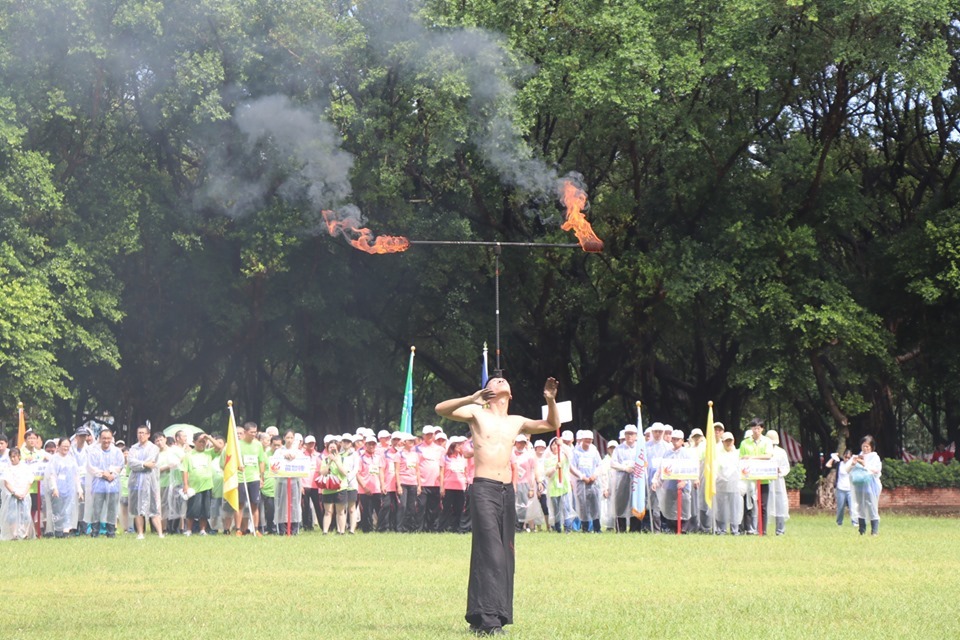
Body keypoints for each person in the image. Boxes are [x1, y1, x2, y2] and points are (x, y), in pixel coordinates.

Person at [435, 376, 559, 636]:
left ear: (510, 394)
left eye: (503, 380)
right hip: (483, 488)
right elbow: (441, 409)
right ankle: (490, 621)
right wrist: (471, 398)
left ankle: (485, 616)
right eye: (494, 380)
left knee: (503, 554)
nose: (500, 380)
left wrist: (550, 400)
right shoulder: (477, 413)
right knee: (491, 550)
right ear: (488, 390)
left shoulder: (517, 422)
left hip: (506, 491)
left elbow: (551, 424)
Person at [655, 429, 695, 533]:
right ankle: (672, 528)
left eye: (678, 439)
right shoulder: (667, 453)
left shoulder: (687, 453)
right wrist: (657, 480)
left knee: (684, 507)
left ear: (682, 441)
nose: (676, 441)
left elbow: (692, 468)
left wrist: (685, 481)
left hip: (683, 486)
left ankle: (683, 529)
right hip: (670, 485)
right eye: (674, 439)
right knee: (670, 506)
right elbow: (662, 468)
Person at [87, 428, 124, 538]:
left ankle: (111, 531)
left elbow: (120, 465)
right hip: (98, 486)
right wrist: (103, 474)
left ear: (112, 438)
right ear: (100, 439)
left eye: (108, 438)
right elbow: (91, 467)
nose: (106, 441)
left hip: (113, 486)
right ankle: (95, 531)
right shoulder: (94, 452)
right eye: (104, 438)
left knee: (112, 509)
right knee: (96, 509)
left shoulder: (117, 451)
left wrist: (112, 474)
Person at [128, 425, 163, 539]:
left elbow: (151, 463)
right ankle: (140, 533)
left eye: (143, 433)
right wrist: (143, 464)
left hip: (150, 482)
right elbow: (131, 463)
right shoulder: (133, 448)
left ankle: (160, 533)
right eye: (139, 433)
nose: (141, 435)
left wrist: (141, 464)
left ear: (148, 435)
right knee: (137, 508)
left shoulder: (154, 448)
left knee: (154, 507)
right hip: (136, 482)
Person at [232, 422, 267, 537]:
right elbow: (232, 461)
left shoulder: (258, 445)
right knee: (240, 504)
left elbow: (261, 461)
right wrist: (237, 466)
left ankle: (256, 529)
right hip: (241, 478)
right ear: (245, 432)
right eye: (251, 432)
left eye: (255, 432)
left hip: (254, 478)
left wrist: (261, 477)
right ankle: (238, 529)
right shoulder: (238, 445)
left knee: (255, 504)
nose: (253, 434)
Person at [739, 418, 772, 535]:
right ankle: (748, 529)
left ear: (762, 429)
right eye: (754, 428)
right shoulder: (745, 443)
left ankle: (762, 529)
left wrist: (753, 458)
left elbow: (768, 455)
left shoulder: (767, 441)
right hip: (749, 479)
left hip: (763, 478)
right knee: (748, 504)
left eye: (758, 428)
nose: (756, 430)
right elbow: (741, 457)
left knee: (763, 505)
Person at [45, 438, 83, 538]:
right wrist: (54, 488)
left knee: (68, 510)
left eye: (67, 446)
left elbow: (76, 475)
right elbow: (52, 474)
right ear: (59, 446)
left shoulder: (71, 459)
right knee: (58, 510)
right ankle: (58, 530)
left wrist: (79, 488)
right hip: (58, 489)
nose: (65, 448)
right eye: (63, 446)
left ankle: (66, 530)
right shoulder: (54, 459)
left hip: (69, 489)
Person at [272, 430, 305, 535]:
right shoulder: (279, 451)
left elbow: (303, 467)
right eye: (287, 438)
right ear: (284, 438)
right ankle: (282, 529)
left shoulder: (298, 452)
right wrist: (284, 457)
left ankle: (294, 529)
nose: (289, 440)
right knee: (282, 505)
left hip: (295, 482)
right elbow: (274, 466)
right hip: (282, 482)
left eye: (291, 438)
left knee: (294, 505)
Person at [182, 433, 215, 536]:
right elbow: (185, 471)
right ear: (194, 442)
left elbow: (219, 447)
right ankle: (189, 530)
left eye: (204, 442)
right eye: (200, 441)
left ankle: (202, 530)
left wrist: (209, 437)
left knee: (205, 510)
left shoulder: (209, 453)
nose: (202, 444)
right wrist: (186, 485)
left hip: (207, 485)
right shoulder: (189, 455)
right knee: (192, 509)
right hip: (194, 487)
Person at [1, 448, 37, 540]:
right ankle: (14, 535)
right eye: (11, 457)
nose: (13, 459)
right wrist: (14, 492)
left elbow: (29, 481)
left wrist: (24, 493)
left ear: (19, 456)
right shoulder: (7, 468)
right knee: (12, 516)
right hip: (12, 496)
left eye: (14, 456)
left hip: (24, 495)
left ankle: (25, 534)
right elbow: (6, 482)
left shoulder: (25, 467)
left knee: (26, 515)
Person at [570, 430, 602, 533]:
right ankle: (585, 528)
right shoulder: (576, 452)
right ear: (582, 439)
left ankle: (597, 528)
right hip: (581, 482)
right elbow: (572, 467)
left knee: (595, 504)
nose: (588, 441)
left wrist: (594, 475)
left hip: (593, 482)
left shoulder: (594, 451)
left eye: (590, 439)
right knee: (583, 505)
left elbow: (599, 465)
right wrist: (582, 476)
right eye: (586, 439)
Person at [610, 424, 640, 532]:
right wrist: (624, 468)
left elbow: (645, 462)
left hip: (636, 479)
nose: (629, 436)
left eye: (632, 434)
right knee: (621, 503)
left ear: (636, 435)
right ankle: (620, 528)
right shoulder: (619, 448)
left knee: (635, 503)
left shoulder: (640, 447)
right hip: (622, 479)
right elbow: (613, 463)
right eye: (627, 434)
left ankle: (635, 529)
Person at [851, 435, 882, 536]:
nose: (865, 448)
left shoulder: (875, 457)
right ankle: (862, 530)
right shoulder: (859, 455)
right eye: (864, 446)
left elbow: (876, 471)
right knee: (860, 506)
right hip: (860, 485)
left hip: (871, 485)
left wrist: (864, 464)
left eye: (867, 446)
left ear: (872, 447)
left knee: (872, 506)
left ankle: (874, 531)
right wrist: (854, 462)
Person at [415, 425, 444, 532]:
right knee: (421, 507)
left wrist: (442, 484)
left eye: (431, 434)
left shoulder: (440, 449)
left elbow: (442, 468)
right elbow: (416, 467)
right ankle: (419, 529)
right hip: (423, 482)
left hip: (435, 483)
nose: (430, 436)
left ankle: (432, 528)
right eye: (427, 434)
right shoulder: (417, 448)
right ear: (423, 435)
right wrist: (418, 484)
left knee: (434, 508)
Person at [714, 432, 743, 534]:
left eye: (730, 440)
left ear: (733, 441)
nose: (728, 443)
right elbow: (714, 470)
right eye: (726, 441)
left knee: (735, 509)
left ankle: (735, 530)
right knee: (721, 509)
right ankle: (722, 529)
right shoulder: (718, 455)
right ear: (722, 442)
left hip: (734, 486)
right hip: (721, 486)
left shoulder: (738, 454)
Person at [439, 436, 468, 532]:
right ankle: (443, 527)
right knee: (446, 508)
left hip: (460, 486)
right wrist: (442, 487)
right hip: (448, 486)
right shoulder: (445, 458)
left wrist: (466, 483)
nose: (460, 446)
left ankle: (456, 527)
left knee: (459, 508)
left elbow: (465, 472)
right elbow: (442, 473)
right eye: (458, 444)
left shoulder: (463, 458)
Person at [319, 436, 348, 534]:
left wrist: (336, 460)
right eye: (330, 447)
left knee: (340, 511)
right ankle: (325, 531)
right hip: (327, 488)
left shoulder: (342, 459)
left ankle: (342, 531)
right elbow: (322, 472)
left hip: (340, 488)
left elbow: (344, 473)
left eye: (334, 447)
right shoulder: (325, 460)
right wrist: (330, 461)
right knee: (328, 511)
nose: (332, 449)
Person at [765, 431, 791, 535]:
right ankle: (763, 529)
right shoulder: (763, 451)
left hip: (778, 481)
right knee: (765, 505)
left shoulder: (781, 452)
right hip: (766, 480)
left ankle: (780, 530)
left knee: (780, 505)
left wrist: (780, 471)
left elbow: (786, 467)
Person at [356, 435, 384, 534]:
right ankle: (367, 530)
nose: (371, 446)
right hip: (365, 489)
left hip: (377, 488)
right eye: (369, 444)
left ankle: (380, 529)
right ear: (365, 445)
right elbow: (357, 474)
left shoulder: (378, 457)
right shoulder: (361, 458)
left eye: (373, 444)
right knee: (367, 511)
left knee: (380, 510)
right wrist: (364, 487)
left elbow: (381, 471)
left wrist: (382, 485)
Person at [544, 436, 571, 533]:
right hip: (553, 487)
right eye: (553, 445)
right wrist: (555, 467)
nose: (555, 447)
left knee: (566, 506)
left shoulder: (563, 456)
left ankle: (567, 527)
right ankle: (557, 526)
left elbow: (570, 454)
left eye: (556, 445)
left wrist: (562, 444)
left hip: (564, 485)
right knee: (556, 509)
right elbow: (547, 473)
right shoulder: (548, 459)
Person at [396, 433, 420, 532]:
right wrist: (399, 486)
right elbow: (397, 471)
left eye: (413, 441)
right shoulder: (399, 454)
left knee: (411, 506)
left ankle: (409, 527)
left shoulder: (415, 454)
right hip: (403, 482)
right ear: (404, 442)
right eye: (409, 441)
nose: (412, 443)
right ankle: (399, 527)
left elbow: (417, 470)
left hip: (413, 482)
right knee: (403, 505)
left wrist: (419, 485)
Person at [300, 435, 322, 531]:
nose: (311, 445)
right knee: (305, 507)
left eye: (312, 443)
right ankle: (307, 526)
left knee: (318, 506)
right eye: (309, 443)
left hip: (316, 485)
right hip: (304, 484)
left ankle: (323, 525)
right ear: (305, 444)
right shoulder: (301, 456)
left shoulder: (319, 456)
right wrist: (300, 485)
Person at [826, 450, 854, 526]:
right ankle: (839, 522)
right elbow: (828, 465)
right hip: (840, 489)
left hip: (850, 489)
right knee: (840, 508)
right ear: (843, 456)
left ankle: (854, 522)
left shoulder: (853, 465)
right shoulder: (839, 464)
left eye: (849, 457)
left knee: (853, 507)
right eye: (845, 457)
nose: (847, 459)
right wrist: (833, 457)